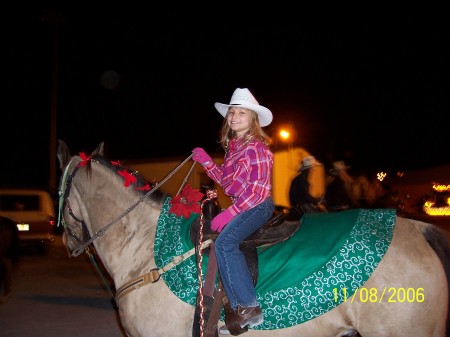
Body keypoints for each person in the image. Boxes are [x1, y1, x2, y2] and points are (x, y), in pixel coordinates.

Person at [192, 88, 274, 332]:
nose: (235, 116)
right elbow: (228, 185)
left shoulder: (256, 147)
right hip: (245, 204)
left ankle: (250, 307)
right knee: (221, 244)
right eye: (232, 112)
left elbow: (258, 190)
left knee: (225, 243)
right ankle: (239, 311)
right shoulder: (234, 149)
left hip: (257, 205)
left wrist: (231, 213)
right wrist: (207, 162)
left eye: (242, 113)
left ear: (253, 119)